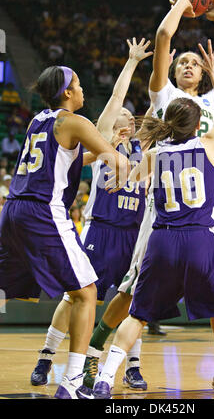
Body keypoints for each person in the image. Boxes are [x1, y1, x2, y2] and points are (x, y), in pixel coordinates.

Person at [89, 41, 214, 400]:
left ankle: (103, 377)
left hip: (163, 237)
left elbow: (128, 177)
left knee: (138, 314)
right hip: (201, 237)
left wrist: (117, 169)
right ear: (196, 123)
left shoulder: (156, 153)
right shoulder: (209, 144)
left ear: (166, 123)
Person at [111, 0, 214, 397]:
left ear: (205, 73)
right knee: (131, 286)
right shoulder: (164, 96)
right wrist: (181, 3)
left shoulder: (212, 99)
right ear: (173, 73)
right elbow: (162, 39)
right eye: (183, 62)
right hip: (164, 209)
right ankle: (94, 358)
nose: (189, 65)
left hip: (202, 211)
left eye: (196, 62)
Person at [29, 39, 152, 392]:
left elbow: (159, 110)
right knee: (77, 296)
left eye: (132, 117)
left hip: (132, 233)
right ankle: (47, 355)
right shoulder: (102, 142)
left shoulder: (145, 153)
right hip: (102, 230)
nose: (127, 118)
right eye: (122, 117)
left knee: (130, 300)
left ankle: (131, 365)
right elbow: (115, 99)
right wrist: (130, 63)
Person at [0, 65, 130, 399]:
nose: (83, 89)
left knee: (10, 290)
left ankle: (59, 368)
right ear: (67, 93)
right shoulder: (75, 121)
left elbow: (71, 159)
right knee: (86, 292)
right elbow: (116, 161)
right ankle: (72, 382)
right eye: (79, 84)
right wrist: (119, 164)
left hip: (13, 210)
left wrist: (104, 150)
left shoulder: (38, 120)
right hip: (43, 210)